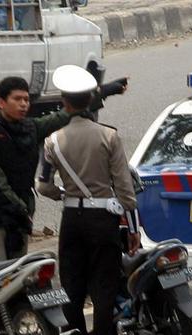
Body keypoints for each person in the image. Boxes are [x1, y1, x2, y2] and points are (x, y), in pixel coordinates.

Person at [37, 65, 141, 335]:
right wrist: (132, 228)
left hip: (72, 219)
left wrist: (64, 194)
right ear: (90, 100)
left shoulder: (53, 141)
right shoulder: (109, 136)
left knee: (72, 286)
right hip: (103, 219)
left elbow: (43, 185)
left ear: (64, 103)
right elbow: (125, 189)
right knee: (104, 286)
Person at [0, 77, 74, 260]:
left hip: (20, 220)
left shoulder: (31, 127)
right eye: (17, 99)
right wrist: (20, 209)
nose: (23, 104)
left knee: (20, 277)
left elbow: (61, 117)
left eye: (26, 99)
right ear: (1, 102)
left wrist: (99, 94)